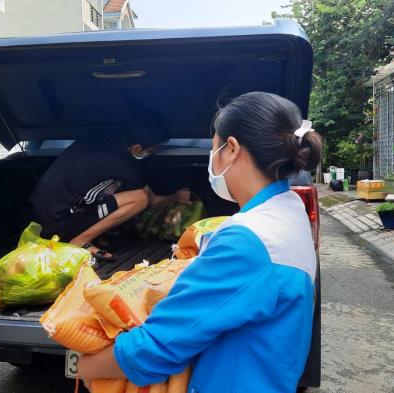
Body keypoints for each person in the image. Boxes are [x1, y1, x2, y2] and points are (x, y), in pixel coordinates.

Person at [76, 92, 323, 392]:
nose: (212, 158)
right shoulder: (290, 211)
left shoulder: (248, 241)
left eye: (213, 147)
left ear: (231, 149)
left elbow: (156, 348)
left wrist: (88, 367)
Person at [29, 128, 190, 260]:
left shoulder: (96, 138)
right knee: (140, 198)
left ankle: (85, 234)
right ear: (137, 148)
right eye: (151, 150)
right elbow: (151, 200)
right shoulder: (121, 164)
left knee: (116, 188)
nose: (151, 154)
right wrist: (176, 197)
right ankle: (79, 241)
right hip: (58, 223)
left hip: (37, 214)